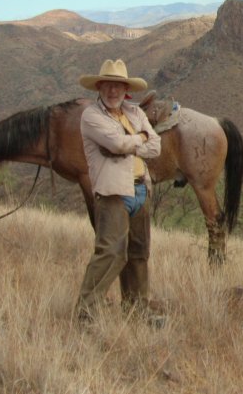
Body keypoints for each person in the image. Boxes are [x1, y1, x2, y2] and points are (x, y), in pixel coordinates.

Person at [74, 59, 163, 326]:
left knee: (139, 252)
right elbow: (116, 142)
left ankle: (137, 309)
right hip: (113, 192)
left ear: (125, 89)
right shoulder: (92, 116)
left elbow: (156, 146)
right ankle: (86, 313)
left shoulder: (134, 113)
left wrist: (132, 143)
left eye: (118, 86)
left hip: (139, 188)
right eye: (108, 86)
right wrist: (140, 139)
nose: (113, 92)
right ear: (99, 87)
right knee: (111, 252)